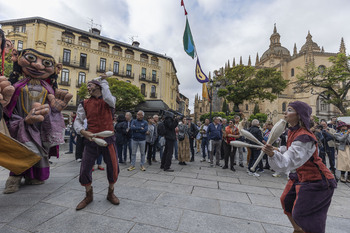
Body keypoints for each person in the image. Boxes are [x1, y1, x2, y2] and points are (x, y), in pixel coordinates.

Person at [4, 48, 72, 194]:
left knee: (39, 153)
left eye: (45, 63)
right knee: (22, 151)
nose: (38, 66)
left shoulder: (48, 89)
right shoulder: (17, 86)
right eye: (32, 59)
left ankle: (33, 176)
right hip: (21, 123)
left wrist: (56, 110)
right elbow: (8, 106)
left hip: (41, 126)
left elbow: (52, 108)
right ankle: (15, 178)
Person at [262, 101, 336, 233]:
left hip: (318, 180)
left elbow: (288, 161)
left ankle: (304, 229)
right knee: (286, 201)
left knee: (304, 215)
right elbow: (290, 151)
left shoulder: (305, 137)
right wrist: (277, 150)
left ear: (299, 115)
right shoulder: (293, 132)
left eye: (289, 110)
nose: (285, 113)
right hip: (300, 175)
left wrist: (273, 154)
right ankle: (298, 229)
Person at [74, 75, 120, 210]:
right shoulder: (84, 103)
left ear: (98, 86)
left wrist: (104, 81)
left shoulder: (110, 101)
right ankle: (88, 195)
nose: (88, 87)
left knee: (113, 167)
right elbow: (78, 120)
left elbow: (107, 98)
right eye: (87, 85)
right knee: (85, 168)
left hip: (108, 139)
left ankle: (111, 193)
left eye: (90, 85)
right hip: (91, 139)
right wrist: (82, 131)